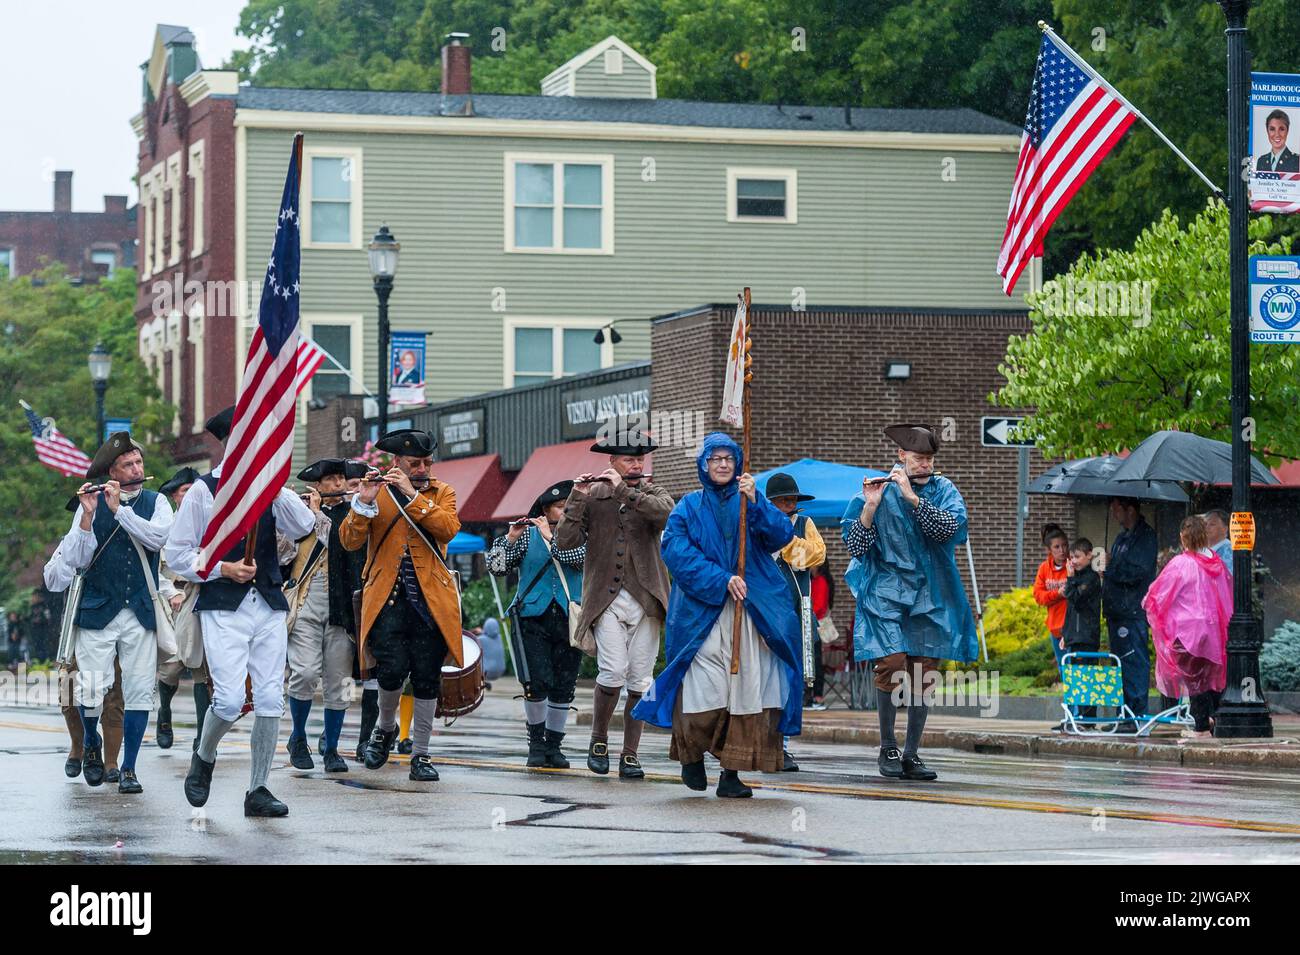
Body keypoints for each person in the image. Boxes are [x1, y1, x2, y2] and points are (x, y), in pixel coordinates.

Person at [166, 407, 316, 817]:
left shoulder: (268, 489)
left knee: (270, 698)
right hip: (223, 605)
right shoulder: (204, 490)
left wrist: (274, 486)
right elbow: (176, 554)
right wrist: (222, 568)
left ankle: (259, 789)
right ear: (230, 444)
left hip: (266, 602)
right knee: (230, 700)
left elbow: (304, 526)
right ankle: (204, 755)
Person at [633, 433, 802, 797]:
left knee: (746, 691)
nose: (723, 464)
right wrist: (722, 579)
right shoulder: (688, 507)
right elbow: (675, 552)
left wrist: (757, 501)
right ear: (704, 464)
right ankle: (691, 756)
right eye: (715, 458)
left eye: (729, 458)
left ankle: (731, 773)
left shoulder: (749, 501)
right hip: (702, 615)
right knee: (704, 689)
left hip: (750, 612)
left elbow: (781, 536)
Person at [841, 424, 978, 781]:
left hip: (930, 593)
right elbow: (856, 545)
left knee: (922, 671)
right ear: (901, 456)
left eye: (929, 459)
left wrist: (913, 500)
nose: (925, 465)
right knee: (890, 661)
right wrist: (870, 507)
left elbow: (951, 530)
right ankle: (888, 745)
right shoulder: (877, 491)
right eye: (918, 459)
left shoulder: (943, 490)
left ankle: (912, 753)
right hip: (886, 591)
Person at [43, 432, 173, 795]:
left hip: (140, 612)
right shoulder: (92, 504)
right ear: (111, 472)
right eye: (128, 464)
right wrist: (87, 518)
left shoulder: (157, 501)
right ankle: (90, 742)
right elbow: (76, 562)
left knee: (138, 690)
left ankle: (129, 768)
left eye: (138, 463)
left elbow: (157, 538)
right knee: (89, 687)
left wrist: (119, 511)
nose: (137, 468)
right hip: (98, 610)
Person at [339, 428, 462, 783]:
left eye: (427, 462)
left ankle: (421, 754)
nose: (423, 468)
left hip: (430, 600)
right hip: (388, 597)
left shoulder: (443, 493)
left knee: (426, 678)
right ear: (397, 462)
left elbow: (448, 528)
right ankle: (383, 727)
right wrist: (362, 502)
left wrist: (412, 495)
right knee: (391, 670)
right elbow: (349, 541)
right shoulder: (376, 492)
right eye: (414, 463)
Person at [555, 427, 672, 779]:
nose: (636, 465)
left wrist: (624, 489)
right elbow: (565, 541)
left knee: (641, 678)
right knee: (613, 670)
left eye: (639, 459)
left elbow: (665, 515)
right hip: (605, 597)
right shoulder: (594, 494)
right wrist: (576, 495)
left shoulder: (655, 492)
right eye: (628, 459)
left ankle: (631, 753)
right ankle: (599, 739)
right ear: (612, 461)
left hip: (648, 598)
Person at [488, 480, 585, 768]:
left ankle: (554, 746)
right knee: (536, 682)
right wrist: (511, 539)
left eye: (569, 506)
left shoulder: (583, 534)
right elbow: (496, 567)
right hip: (532, 616)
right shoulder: (528, 536)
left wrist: (551, 537)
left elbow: (575, 559)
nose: (565, 511)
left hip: (570, 616)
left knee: (564, 684)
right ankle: (537, 743)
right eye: (559, 507)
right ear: (546, 510)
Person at [282, 458, 368, 773]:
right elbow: (283, 554)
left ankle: (331, 748)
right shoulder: (299, 517)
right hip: (306, 602)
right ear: (317, 486)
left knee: (341, 683)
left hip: (342, 608)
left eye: (340, 479)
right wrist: (290, 513)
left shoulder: (355, 516)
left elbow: (341, 541)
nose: (337, 484)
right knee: (304, 674)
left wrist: (316, 513)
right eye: (330, 480)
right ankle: (299, 737)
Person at [1142, 516, 1233, 738]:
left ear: (1184, 537)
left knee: (1194, 679)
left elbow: (1157, 595)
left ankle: (1201, 727)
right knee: (1211, 676)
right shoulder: (1217, 563)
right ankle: (1213, 719)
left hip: (1187, 632)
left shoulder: (1181, 563)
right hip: (1215, 630)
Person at [764, 471, 826, 771]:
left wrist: (785, 540)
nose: (788, 505)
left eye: (791, 500)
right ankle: (758, 743)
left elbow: (815, 556)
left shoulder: (804, 525)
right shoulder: (756, 524)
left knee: (791, 682)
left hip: (796, 611)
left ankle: (783, 747)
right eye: (781, 501)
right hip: (762, 610)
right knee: (761, 679)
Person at [154, 466, 206, 751]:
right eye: (185, 491)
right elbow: (152, 568)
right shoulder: (164, 526)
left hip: (203, 594)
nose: (191, 496)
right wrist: (172, 592)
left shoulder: (210, 523)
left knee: (201, 666)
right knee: (172, 666)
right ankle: (164, 710)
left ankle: (201, 737)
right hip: (171, 598)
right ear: (175, 496)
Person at [1100, 497, 1158, 731]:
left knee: (1133, 662)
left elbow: (1138, 572)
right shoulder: (1121, 538)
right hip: (1117, 610)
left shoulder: (1145, 536)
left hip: (1132, 610)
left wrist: (1111, 567)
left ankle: (1135, 716)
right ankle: (1123, 714)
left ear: (1130, 510)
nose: (1114, 514)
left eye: (1117, 509)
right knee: (1120, 665)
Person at [1060, 537, 1103, 723]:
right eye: (1072, 557)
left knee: (1087, 678)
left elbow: (1076, 599)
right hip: (1074, 636)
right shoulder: (1077, 578)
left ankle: (1087, 719)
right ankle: (1076, 717)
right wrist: (1065, 633)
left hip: (1086, 637)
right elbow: (1070, 610)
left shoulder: (1092, 578)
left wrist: (1069, 579)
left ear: (1089, 555)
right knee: (1075, 679)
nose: (1074, 561)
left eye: (1077, 556)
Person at [1033, 524, 1071, 690]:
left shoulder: (1072, 565)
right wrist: (1057, 594)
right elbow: (1039, 596)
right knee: (1064, 670)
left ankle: (1078, 711)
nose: (1062, 550)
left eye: (1064, 545)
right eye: (1057, 547)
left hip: (1071, 628)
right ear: (1049, 549)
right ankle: (1070, 709)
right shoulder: (1044, 569)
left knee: (1073, 669)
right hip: (1055, 628)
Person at [808, 562, 834, 710]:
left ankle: (818, 696)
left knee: (816, 662)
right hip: (814, 625)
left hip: (815, 626)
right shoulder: (815, 581)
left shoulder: (821, 581)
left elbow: (818, 607)